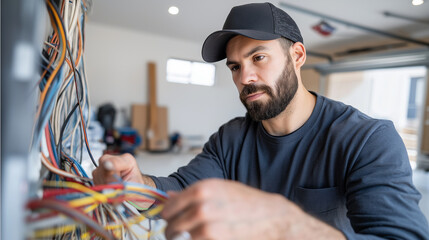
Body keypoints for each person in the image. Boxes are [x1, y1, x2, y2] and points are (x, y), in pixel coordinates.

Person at [93, 2, 429, 240]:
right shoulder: (232, 138)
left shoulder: (367, 139)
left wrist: (287, 226)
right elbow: (182, 189)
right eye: (235, 66)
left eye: (259, 57)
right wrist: (139, 185)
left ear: (296, 56)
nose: (246, 77)